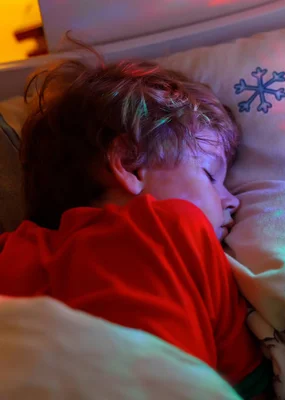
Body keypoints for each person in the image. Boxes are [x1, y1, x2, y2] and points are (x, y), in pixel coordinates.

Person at [0, 45, 270, 399]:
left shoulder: (13, 250)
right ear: (129, 165)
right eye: (210, 174)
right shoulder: (174, 228)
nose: (231, 199)